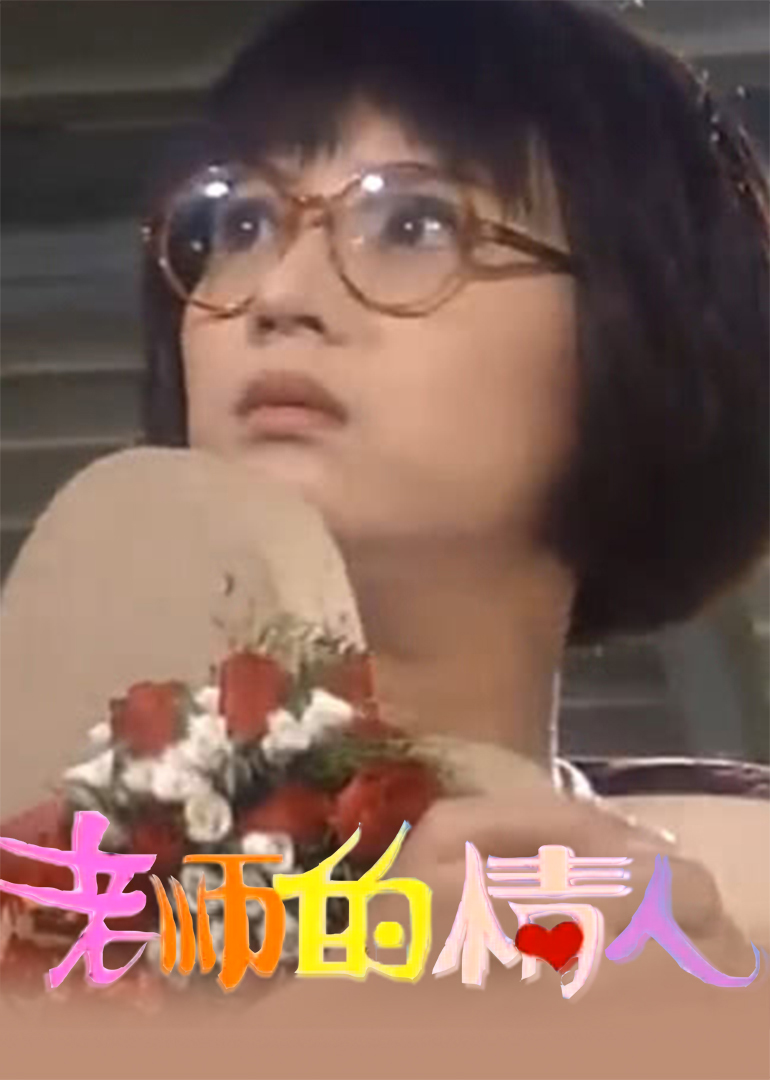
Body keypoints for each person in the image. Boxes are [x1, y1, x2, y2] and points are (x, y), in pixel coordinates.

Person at [1, 2, 768, 1076]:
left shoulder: (723, 923)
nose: (276, 294)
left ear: (644, 329)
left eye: (414, 225)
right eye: (239, 224)